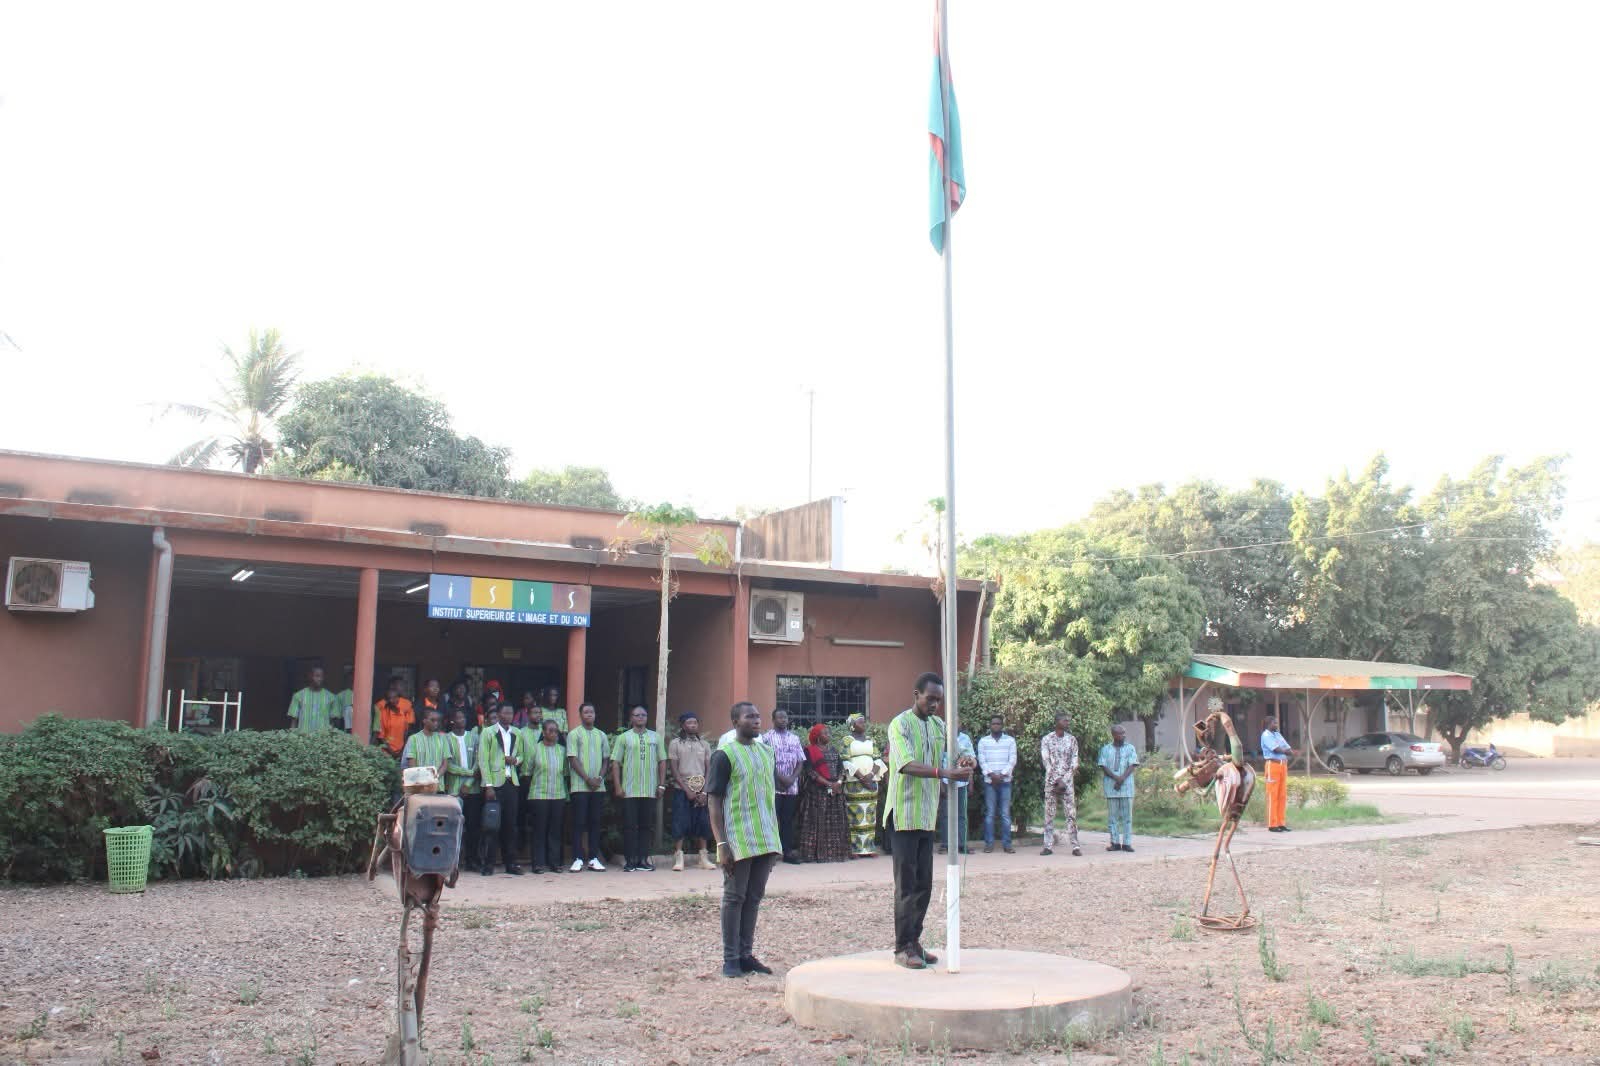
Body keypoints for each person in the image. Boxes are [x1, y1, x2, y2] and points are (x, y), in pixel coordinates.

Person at [883, 673, 970, 970]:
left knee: (924, 885)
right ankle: (901, 947)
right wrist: (944, 773)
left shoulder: (938, 726)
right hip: (904, 815)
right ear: (916, 694)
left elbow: (956, 751)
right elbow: (905, 764)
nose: (934, 705)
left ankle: (915, 941)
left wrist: (964, 762)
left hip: (926, 814)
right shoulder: (900, 725)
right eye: (929, 698)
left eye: (938, 701)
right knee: (906, 885)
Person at [707, 700, 782, 978]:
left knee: (753, 897)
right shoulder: (724, 755)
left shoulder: (766, 752)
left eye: (758, 716)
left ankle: (746, 954)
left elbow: (768, 795)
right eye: (749, 717)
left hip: (765, 836)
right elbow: (713, 800)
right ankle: (730, 959)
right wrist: (721, 843)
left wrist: (776, 843)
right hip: (738, 837)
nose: (756, 720)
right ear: (735, 722)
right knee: (734, 896)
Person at [610, 705, 667, 872]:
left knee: (646, 826)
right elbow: (615, 763)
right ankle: (630, 860)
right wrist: (618, 786)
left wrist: (662, 784)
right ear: (631, 718)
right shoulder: (624, 738)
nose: (640, 717)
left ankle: (643, 859)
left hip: (649, 790)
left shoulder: (655, 738)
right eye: (637, 715)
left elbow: (662, 761)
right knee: (629, 826)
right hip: (629, 790)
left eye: (643, 715)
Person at [478, 702, 524, 875]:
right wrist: (488, 785)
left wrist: (516, 760)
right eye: (505, 713)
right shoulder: (488, 732)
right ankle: (488, 864)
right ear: (498, 714)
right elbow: (483, 760)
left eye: (511, 713)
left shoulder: (517, 733)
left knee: (510, 825)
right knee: (492, 825)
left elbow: (522, 755)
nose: (508, 716)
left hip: (511, 782)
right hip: (495, 784)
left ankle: (510, 863)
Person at [667, 712, 716, 871]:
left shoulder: (704, 744)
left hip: (701, 790)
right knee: (680, 822)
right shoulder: (675, 744)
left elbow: (709, 769)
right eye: (689, 722)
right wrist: (687, 789)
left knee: (703, 823)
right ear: (682, 725)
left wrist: (705, 791)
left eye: (695, 722)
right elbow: (674, 770)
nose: (693, 725)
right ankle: (679, 857)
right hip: (682, 789)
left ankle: (703, 857)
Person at [565, 701, 610, 871]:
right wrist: (587, 778)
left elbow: (606, 759)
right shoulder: (574, 734)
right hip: (580, 786)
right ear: (580, 715)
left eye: (592, 712)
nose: (589, 714)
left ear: (595, 714)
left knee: (595, 822)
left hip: (598, 787)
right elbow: (572, 758)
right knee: (579, 822)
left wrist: (599, 777)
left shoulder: (602, 735)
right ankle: (577, 858)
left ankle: (593, 857)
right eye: (586, 712)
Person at [796, 722, 849, 863]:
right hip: (817, 793)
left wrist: (838, 783)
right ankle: (815, 854)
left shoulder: (833, 750)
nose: (828, 735)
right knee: (816, 822)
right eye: (825, 733)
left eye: (828, 733)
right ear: (818, 737)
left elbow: (841, 769)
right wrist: (828, 784)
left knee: (835, 822)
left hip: (835, 791)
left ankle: (836, 854)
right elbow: (810, 772)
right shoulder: (809, 750)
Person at [760, 709, 805, 864]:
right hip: (773, 785)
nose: (783, 720)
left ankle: (787, 852)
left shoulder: (795, 738)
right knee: (771, 820)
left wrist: (792, 778)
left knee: (787, 821)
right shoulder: (766, 738)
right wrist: (780, 777)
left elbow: (800, 760)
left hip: (791, 787)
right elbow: (765, 761)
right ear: (773, 719)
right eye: (779, 717)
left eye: (785, 717)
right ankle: (770, 853)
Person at [525, 719, 568, 873]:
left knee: (555, 831)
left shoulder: (562, 751)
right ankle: (538, 863)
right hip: (538, 795)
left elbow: (565, 772)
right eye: (550, 730)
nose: (554, 733)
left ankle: (554, 862)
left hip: (558, 795)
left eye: (556, 731)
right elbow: (527, 771)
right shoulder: (535, 749)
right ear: (543, 732)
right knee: (539, 830)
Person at [841, 714, 887, 857]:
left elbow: (878, 759)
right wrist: (861, 777)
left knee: (870, 814)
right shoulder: (847, 740)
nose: (864, 724)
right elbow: (845, 760)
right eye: (860, 722)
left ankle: (869, 848)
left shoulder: (870, 740)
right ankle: (854, 849)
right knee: (854, 814)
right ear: (852, 725)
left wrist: (871, 775)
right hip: (855, 782)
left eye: (864, 722)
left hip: (871, 781)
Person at [1040, 714, 1083, 857]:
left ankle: (1075, 846)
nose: (1067, 722)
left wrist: (1065, 779)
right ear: (1057, 722)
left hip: (1068, 782)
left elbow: (1074, 761)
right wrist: (1057, 780)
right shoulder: (1047, 739)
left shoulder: (1072, 740)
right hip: (1051, 782)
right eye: (1064, 720)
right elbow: (1046, 761)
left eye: (1068, 721)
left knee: (1071, 814)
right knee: (1049, 814)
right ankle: (1047, 846)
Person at [444, 707, 482, 866]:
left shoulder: (474, 737)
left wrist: (468, 783)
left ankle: (472, 859)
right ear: (452, 720)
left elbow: (478, 762)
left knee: (473, 826)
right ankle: (452, 860)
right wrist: (468, 773)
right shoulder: (446, 739)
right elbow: (448, 765)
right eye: (458, 717)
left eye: (464, 717)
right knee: (453, 826)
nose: (462, 720)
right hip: (454, 790)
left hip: (472, 789)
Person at [977, 715, 1017, 854]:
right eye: (993, 723)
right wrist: (991, 775)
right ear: (990, 725)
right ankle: (989, 844)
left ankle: (1007, 844)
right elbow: (982, 760)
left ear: (1002, 725)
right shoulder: (983, 741)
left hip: (1005, 782)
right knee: (990, 814)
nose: (996, 726)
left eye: (998, 724)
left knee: (1005, 814)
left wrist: (1002, 775)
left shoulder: (1010, 741)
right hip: (990, 783)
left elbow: (1012, 760)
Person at [1098, 724, 1140, 853]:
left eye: (1124, 733)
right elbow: (1103, 766)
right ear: (1114, 735)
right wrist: (1116, 778)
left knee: (1127, 817)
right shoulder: (1106, 749)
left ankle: (1127, 843)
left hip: (1127, 787)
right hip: (1111, 788)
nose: (1123, 735)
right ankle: (1115, 842)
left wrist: (1122, 778)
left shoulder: (1130, 748)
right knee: (1113, 817)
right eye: (1120, 733)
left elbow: (1132, 765)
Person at [936, 728, 975, 855]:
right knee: (945, 815)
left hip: (962, 782)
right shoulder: (942, 739)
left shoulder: (965, 738)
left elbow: (971, 761)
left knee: (962, 815)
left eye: (958, 720)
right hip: (947, 781)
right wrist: (941, 783)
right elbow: (939, 763)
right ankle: (945, 844)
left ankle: (962, 844)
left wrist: (970, 781)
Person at [1259, 709, 1297, 833]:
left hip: (1283, 766)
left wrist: (1290, 751)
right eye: (1274, 723)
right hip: (1273, 765)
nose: (1276, 725)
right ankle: (1272, 824)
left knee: (1282, 795)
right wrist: (1287, 751)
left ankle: (1281, 823)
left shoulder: (1277, 734)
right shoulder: (1266, 735)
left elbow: (1287, 748)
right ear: (1269, 724)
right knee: (1272, 795)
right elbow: (1276, 749)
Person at [287, 666, 341, 732]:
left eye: (321, 676)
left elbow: (333, 721)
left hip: (323, 738)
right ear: (310, 676)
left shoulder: (331, 697)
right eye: (317, 676)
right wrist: (292, 736)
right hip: (304, 737)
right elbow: (294, 720)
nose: (320, 679)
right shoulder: (298, 695)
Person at [401, 707, 451, 778]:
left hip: (437, 784)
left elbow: (445, 764)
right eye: (432, 720)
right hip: (419, 784)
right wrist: (424, 780)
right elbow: (412, 764)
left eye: (438, 720)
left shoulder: (443, 739)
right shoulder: (414, 739)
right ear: (424, 720)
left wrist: (435, 777)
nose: (436, 723)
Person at [373, 678, 414, 758]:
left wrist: (402, 751)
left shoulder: (406, 706)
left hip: (403, 750)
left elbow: (408, 731)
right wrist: (392, 752)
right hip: (386, 751)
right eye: (389, 698)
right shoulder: (382, 710)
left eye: (395, 698)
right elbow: (381, 736)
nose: (392, 700)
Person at [336, 666, 356, 732]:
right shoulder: (340, 695)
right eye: (351, 678)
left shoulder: (364, 695)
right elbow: (337, 717)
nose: (352, 680)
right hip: (345, 730)